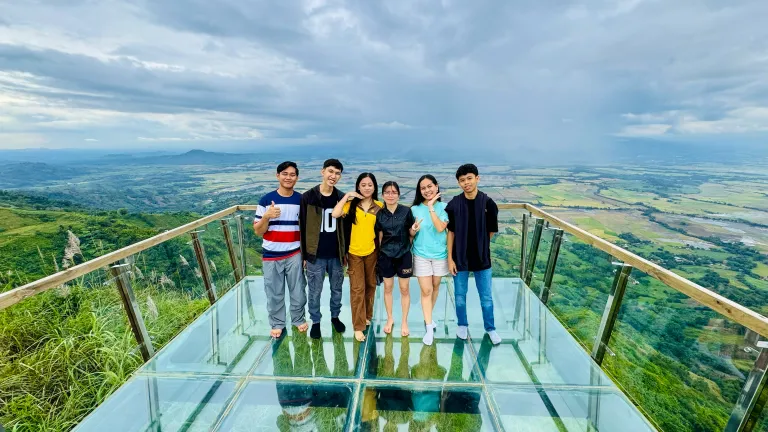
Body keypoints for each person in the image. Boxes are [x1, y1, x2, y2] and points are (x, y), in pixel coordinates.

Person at [446, 164, 501, 345]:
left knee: (486, 297)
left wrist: (480, 244)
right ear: (459, 183)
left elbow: (491, 231)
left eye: (469, 178)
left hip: (482, 258)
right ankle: (462, 324)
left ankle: (490, 328)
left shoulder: (488, 204)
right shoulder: (454, 204)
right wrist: (450, 259)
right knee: (460, 296)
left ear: (477, 178)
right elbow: (451, 232)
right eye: (462, 180)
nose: (466, 183)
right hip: (459, 258)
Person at [253, 161, 306, 339]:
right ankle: (277, 323)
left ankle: (298, 319)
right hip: (271, 253)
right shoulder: (266, 200)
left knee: (298, 289)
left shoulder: (301, 200)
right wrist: (266, 216)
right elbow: (258, 231)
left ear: (297, 178)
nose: (288, 177)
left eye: (292, 174)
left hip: (294, 252)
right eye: (285, 174)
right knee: (274, 291)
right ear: (278, 176)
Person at [299, 159, 348, 340]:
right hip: (315, 255)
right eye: (330, 171)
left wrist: (345, 253)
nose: (333, 176)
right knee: (315, 290)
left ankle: (335, 317)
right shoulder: (308, 197)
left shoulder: (341, 197)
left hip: (336, 254)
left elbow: (346, 229)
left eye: (337, 173)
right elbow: (302, 227)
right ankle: (316, 321)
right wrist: (304, 254)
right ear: (322, 172)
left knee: (337, 289)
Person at [332, 172, 383, 342]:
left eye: (370, 184)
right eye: (363, 185)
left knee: (371, 285)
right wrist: (347, 196)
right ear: (358, 187)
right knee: (357, 289)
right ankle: (358, 326)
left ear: (374, 187)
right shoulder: (351, 205)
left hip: (372, 252)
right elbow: (335, 213)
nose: (367, 188)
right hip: (354, 253)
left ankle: (367, 316)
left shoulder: (379, 206)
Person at [410, 174, 449, 346]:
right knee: (426, 291)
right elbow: (411, 234)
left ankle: (429, 318)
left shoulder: (445, 207)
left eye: (429, 186)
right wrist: (412, 230)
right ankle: (428, 327)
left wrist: (432, 207)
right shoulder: (414, 210)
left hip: (440, 255)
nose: (427, 190)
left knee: (435, 287)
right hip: (421, 255)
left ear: (436, 186)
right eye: (423, 188)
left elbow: (441, 228)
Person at [374, 181, 416, 337]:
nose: (390, 195)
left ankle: (404, 321)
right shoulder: (380, 214)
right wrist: (379, 256)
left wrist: (414, 229)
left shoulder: (406, 211)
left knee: (404, 289)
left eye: (393, 192)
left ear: (399, 195)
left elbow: (411, 233)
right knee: (388, 288)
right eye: (387, 192)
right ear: (383, 195)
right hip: (385, 255)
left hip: (404, 254)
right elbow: (379, 237)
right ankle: (390, 318)